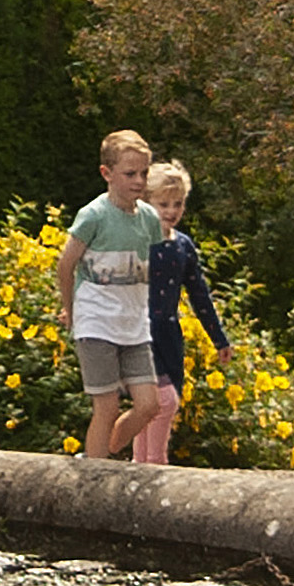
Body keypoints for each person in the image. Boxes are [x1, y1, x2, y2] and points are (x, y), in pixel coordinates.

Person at [53, 128, 167, 463]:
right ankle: (96, 472)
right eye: (130, 174)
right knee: (107, 405)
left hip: (132, 324)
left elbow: (149, 268)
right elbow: (66, 265)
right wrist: (71, 310)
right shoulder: (94, 216)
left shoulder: (148, 218)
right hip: (97, 322)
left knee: (149, 405)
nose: (139, 181)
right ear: (107, 174)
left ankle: (105, 451)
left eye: (144, 173)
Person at [142, 158, 230, 462]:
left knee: (163, 402)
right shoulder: (136, 241)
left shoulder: (183, 246)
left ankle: (139, 464)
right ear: (146, 202)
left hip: (169, 334)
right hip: (139, 333)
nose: (170, 211)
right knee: (161, 401)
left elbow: (199, 295)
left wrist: (219, 339)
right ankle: (155, 464)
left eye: (177, 204)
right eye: (163, 204)